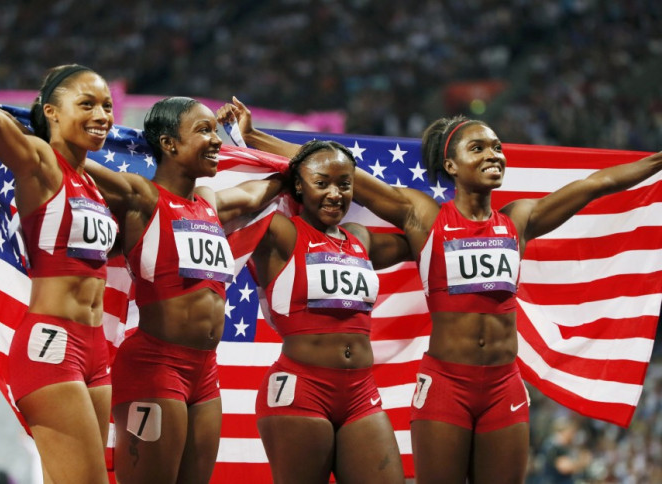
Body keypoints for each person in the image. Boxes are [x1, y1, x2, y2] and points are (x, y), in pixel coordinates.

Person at [219, 97, 662, 483]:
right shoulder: (424, 218)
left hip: (505, 385)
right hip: (446, 383)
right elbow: (336, 166)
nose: (494, 155)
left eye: (497, 148)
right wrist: (255, 137)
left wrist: (656, 161)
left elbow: (595, 184)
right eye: (479, 148)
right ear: (450, 165)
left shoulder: (519, 219)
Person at [0, 24, 116, 484]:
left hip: (96, 351)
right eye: (87, 104)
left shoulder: (94, 183)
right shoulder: (39, 162)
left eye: (107, 105)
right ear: (51, 111)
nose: (102, 114)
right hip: (52, 345)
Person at [83, 96, 285, 484]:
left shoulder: (209, 203)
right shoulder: (142, 197)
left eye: (215, 131)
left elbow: (270, 188)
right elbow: (73, 163)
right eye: (204, 130)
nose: (216, 141)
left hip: (205, 373)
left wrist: (253, 137)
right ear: (169, 144)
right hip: (154, 367)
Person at [219, 99, 411, 484]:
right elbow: (228, 206)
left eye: (344, 184)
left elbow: (424, 236)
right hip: (300, 389)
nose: (335, 194)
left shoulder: (360, 239)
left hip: (360, 393)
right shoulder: (279, 233)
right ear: (299, 186)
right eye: (321, 183)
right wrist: (255, 140)